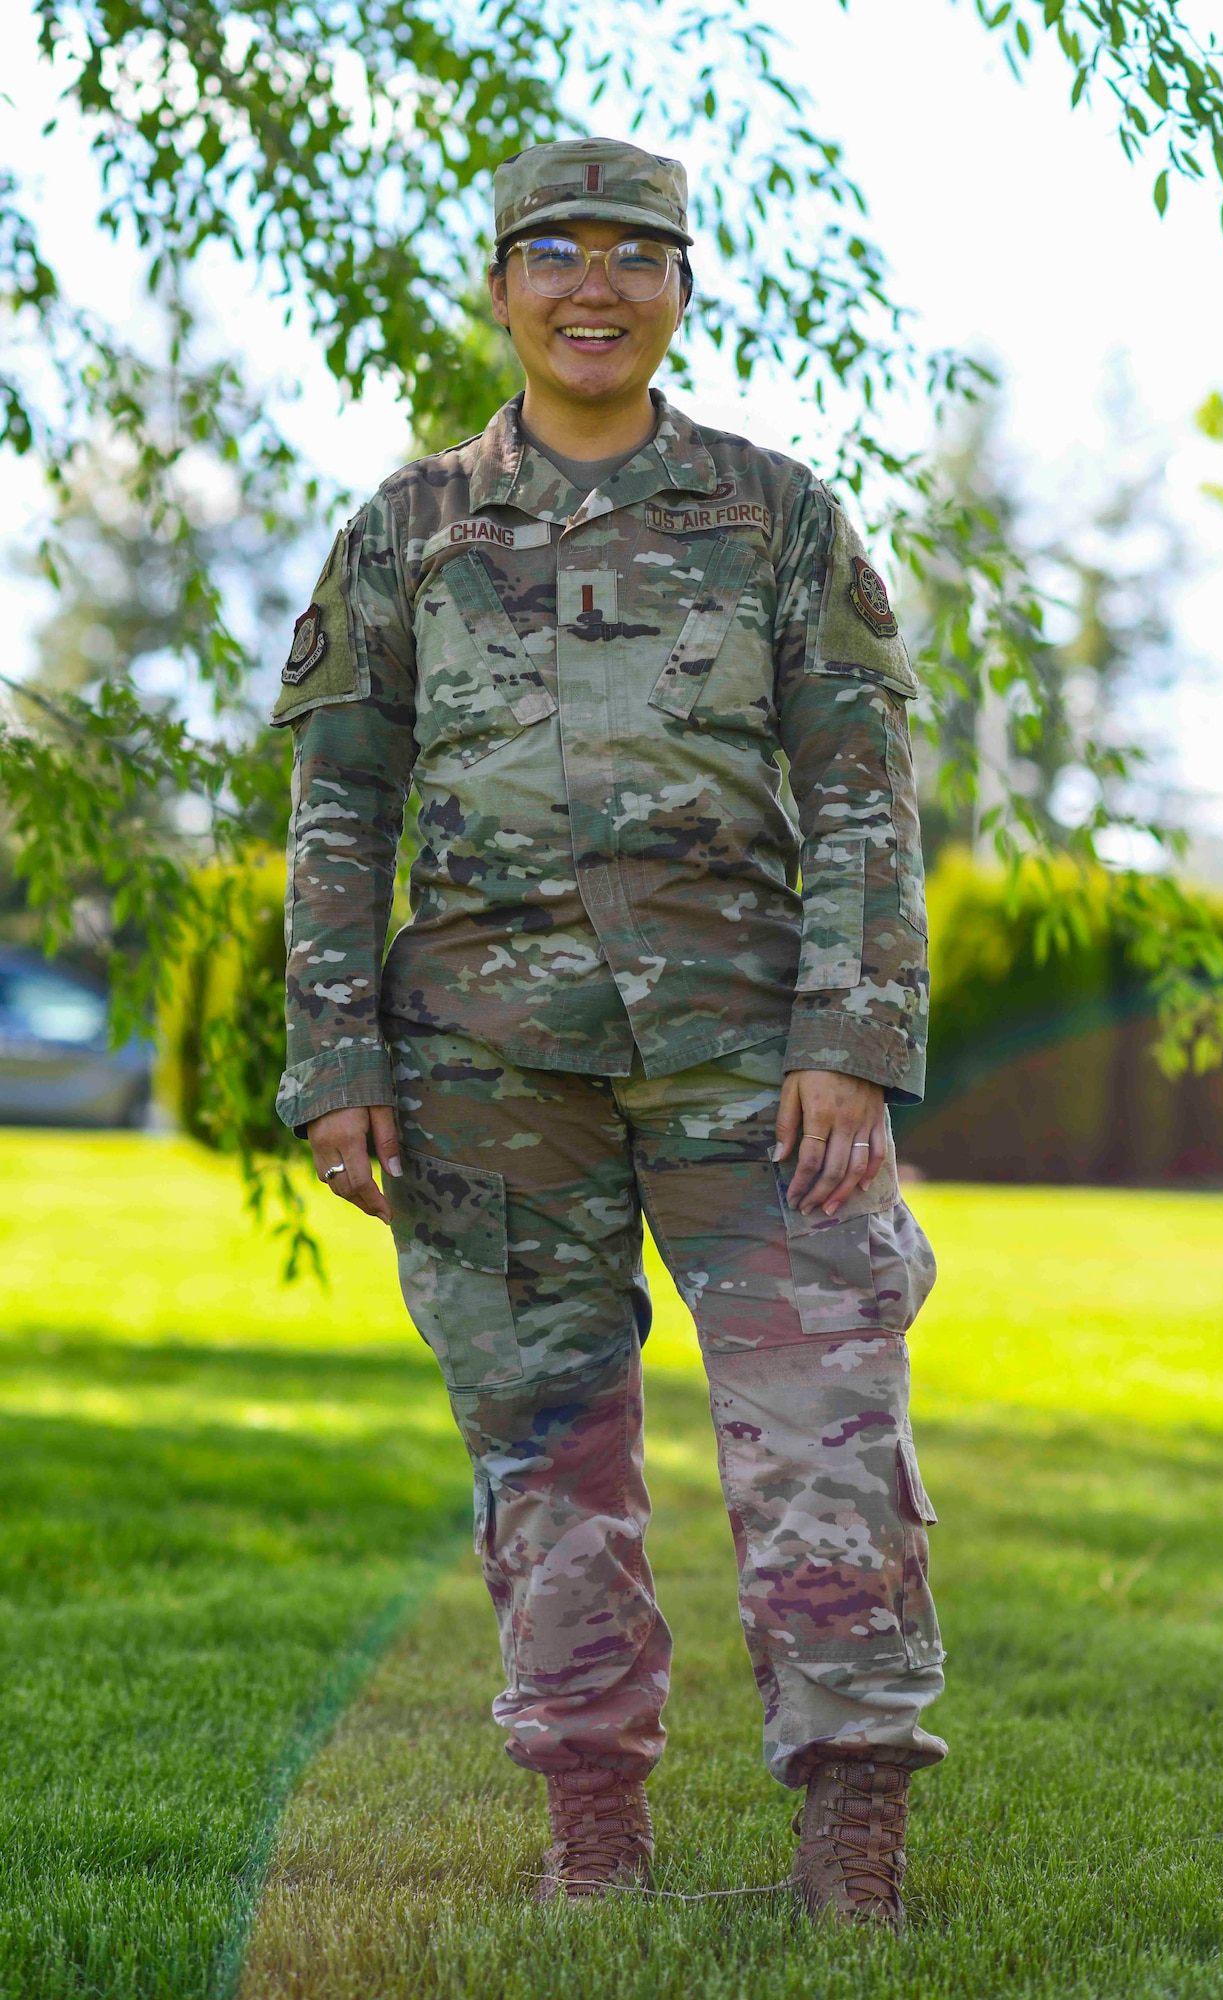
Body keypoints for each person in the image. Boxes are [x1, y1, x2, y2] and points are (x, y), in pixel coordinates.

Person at [273, 136, 944, 1928]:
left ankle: (851, 1838)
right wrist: (334, 1061)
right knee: (544, 1453)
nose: (594, 286)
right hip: (487, 1067)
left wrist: (852, 1038)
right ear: (499, 288)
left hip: (756, 1057)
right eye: (554, 253)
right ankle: (592, 1831)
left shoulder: (780, 515)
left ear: (679, 290)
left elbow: (865, 792)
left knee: (826, 1435)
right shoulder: (405, 532)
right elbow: (340, 811)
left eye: (634, 255)